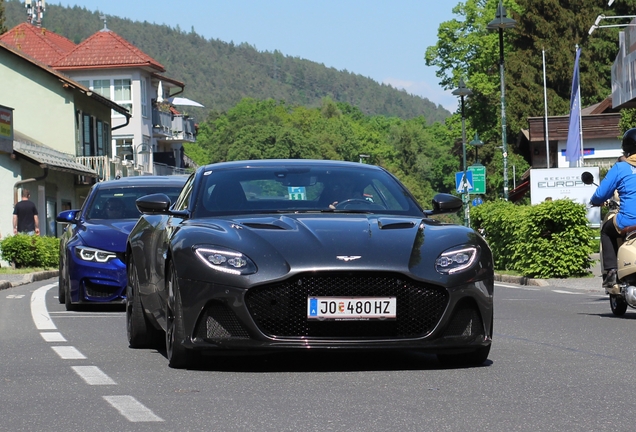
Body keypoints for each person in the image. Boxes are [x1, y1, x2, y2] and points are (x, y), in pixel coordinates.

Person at [590, 128, 636, 287]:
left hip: (628, 220)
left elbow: (601, 194)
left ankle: (611, 272)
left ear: (627, 149)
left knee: (606, 231)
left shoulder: (621, 168)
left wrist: (594, 201)